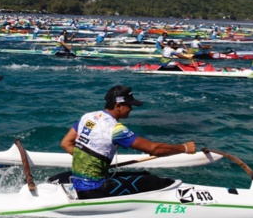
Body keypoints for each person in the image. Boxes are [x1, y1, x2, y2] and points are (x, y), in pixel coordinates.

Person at [58, 85, 196, 199]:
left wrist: (90, 161)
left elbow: (66, 143)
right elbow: (154, 149)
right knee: (153, 180)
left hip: (79, 183)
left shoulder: (88, 117)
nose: (131, 109)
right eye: (129, 105)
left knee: (144, 175)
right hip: (94, 190)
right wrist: (184, 148)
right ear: (118, 105)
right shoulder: (115, 129)